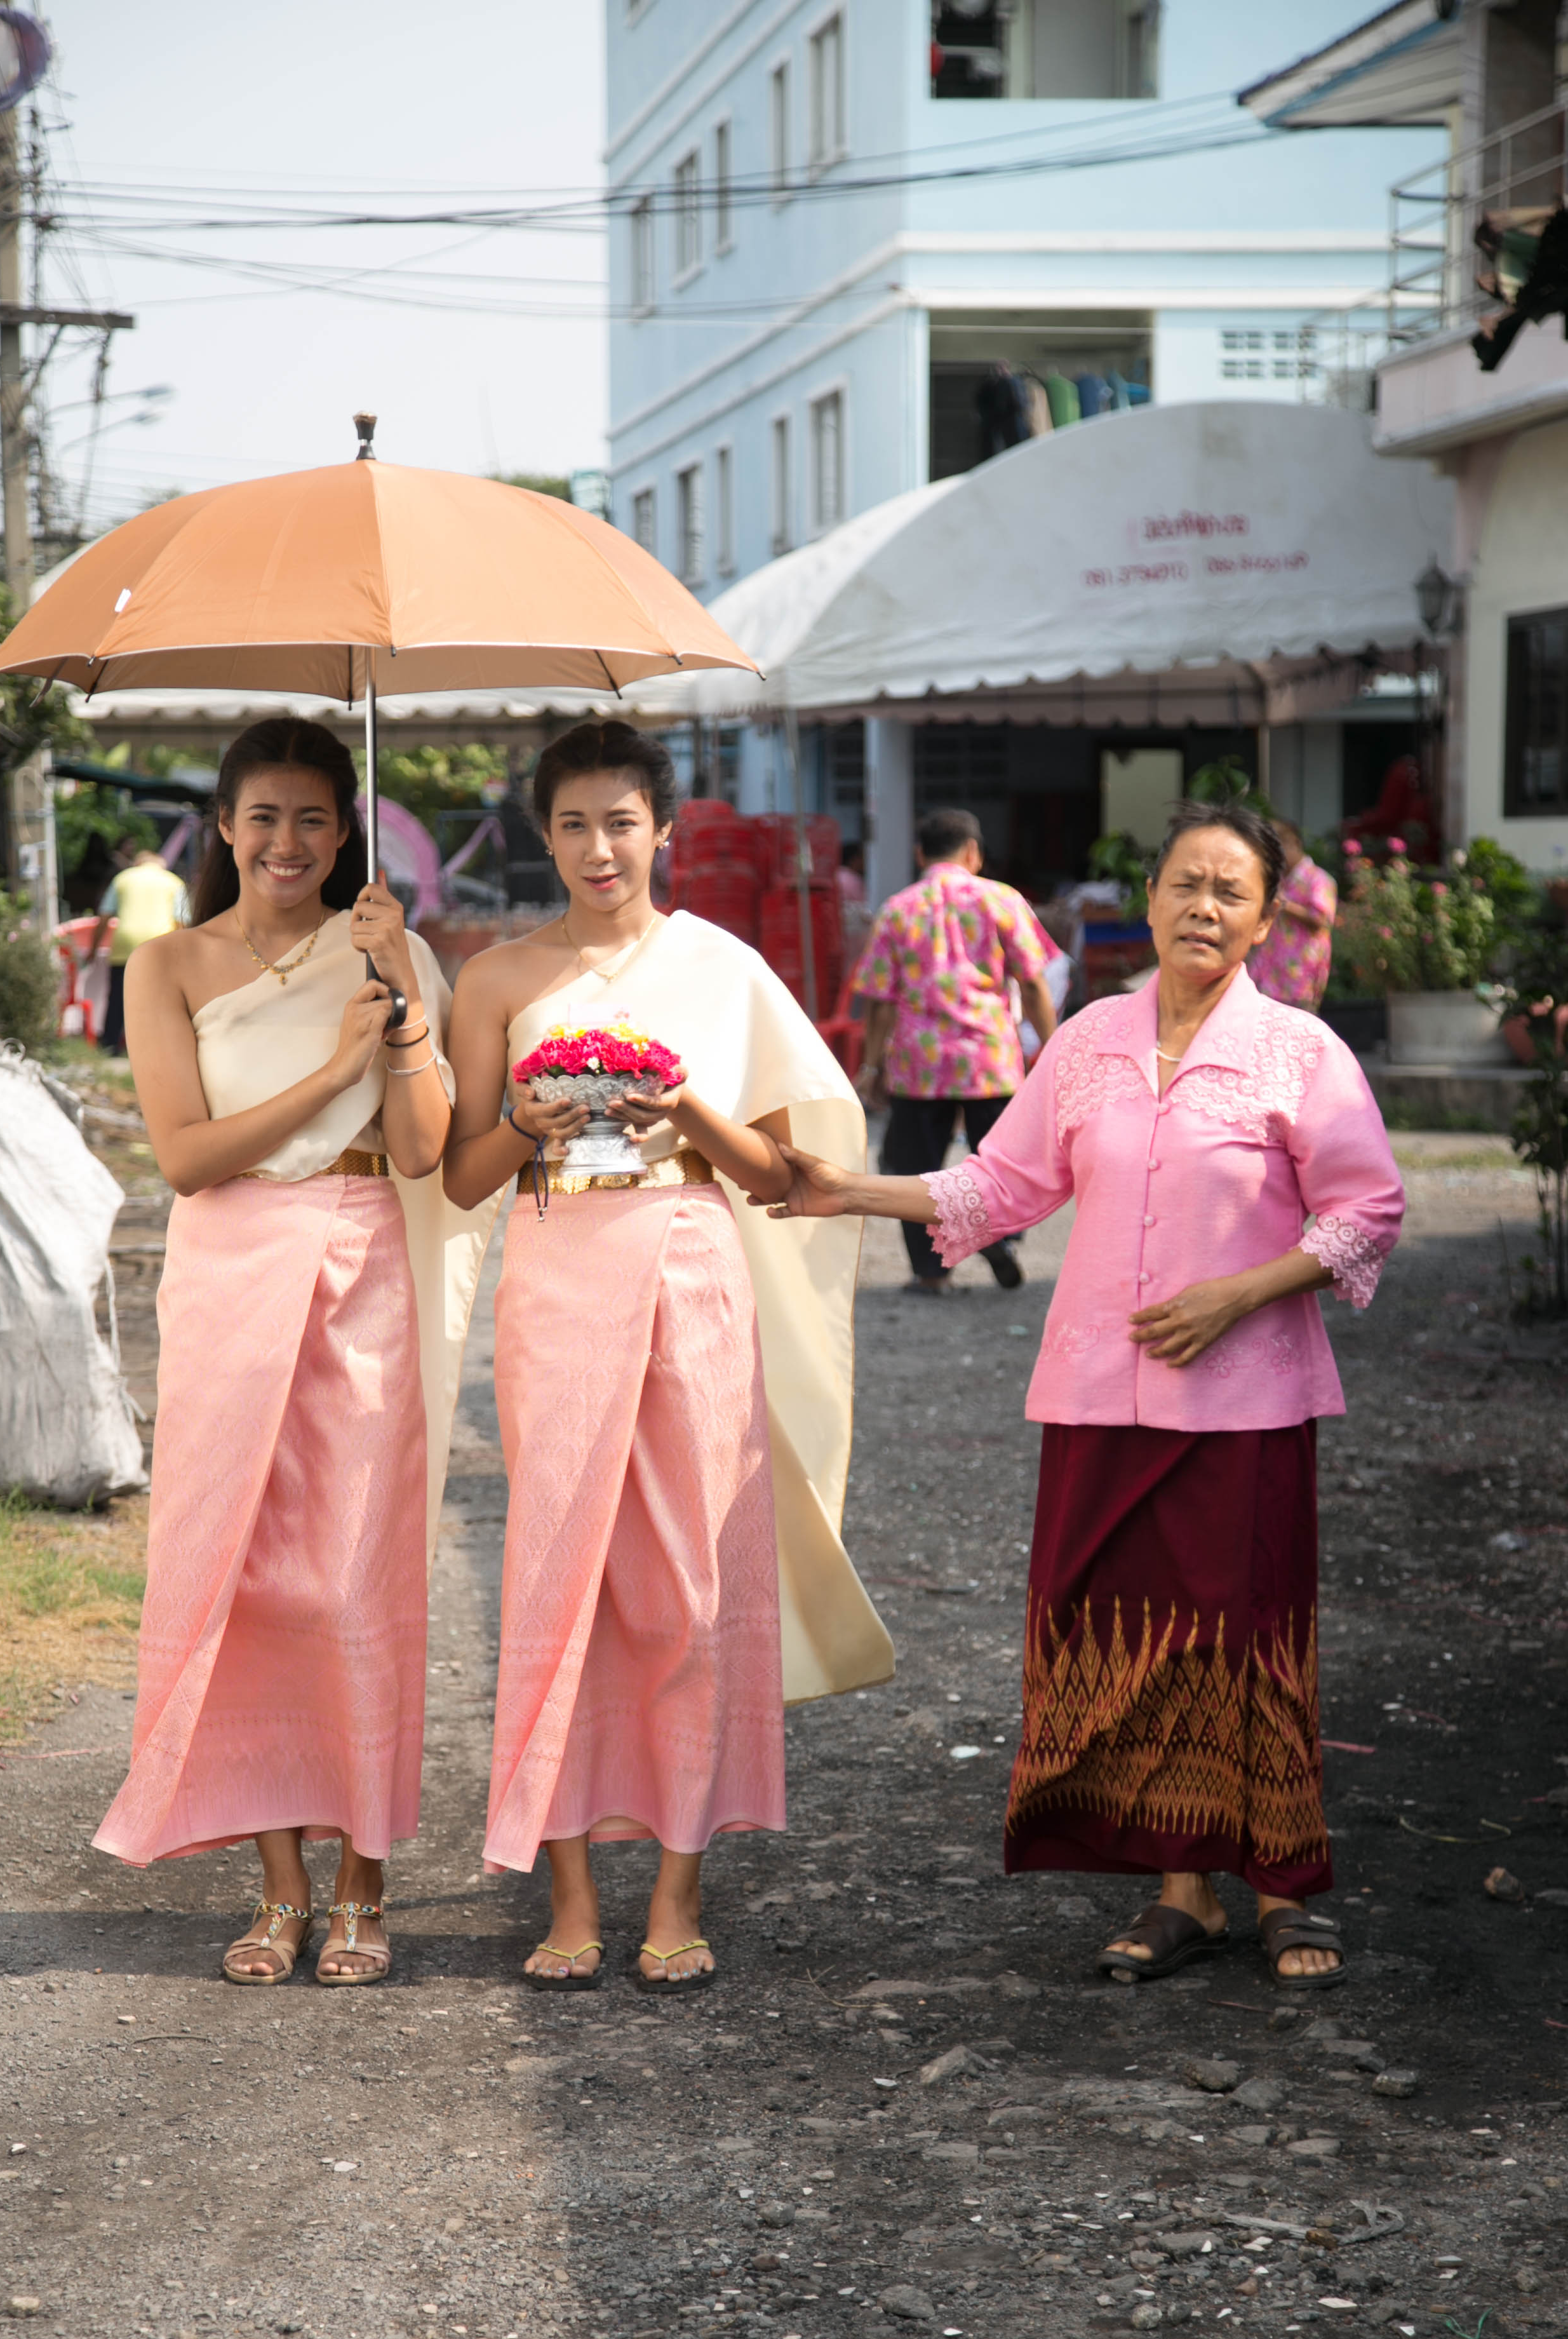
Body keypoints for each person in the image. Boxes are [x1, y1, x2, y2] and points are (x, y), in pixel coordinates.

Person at [763, 799, 1405, 1987]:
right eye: (1184, 884)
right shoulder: (1088, 1041)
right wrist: (841, 1189)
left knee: (1248, 1636)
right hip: (1097, 1399)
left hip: (1245, 1407)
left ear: (1265, 921)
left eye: (1230, 892)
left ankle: (1283, 1883)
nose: (1202, 907)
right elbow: (998, 1186)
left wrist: (1237, 1294)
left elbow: (1366, 1209)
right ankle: (1182, 1889)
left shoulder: (1302, 1051)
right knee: (1134, 1635)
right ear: (1147, 900)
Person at [443, 720, 891, 1990]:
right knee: (559, 1579)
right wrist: (525, 1121)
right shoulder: (497, 979)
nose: (600, 848)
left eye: (622, 822)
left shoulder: (723, 969)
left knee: (694, 1580)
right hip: (558, 1278)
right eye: (574, 824)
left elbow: (785, 1174)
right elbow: (461, 1174)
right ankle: (571, 1896)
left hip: (693, 1264)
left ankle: (680, 1889)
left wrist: (687, 1102)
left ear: (663, 829)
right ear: (543, 835)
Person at [92, 719, 488, 1990]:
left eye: (313, 817)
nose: (286, 840)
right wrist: (329, 1071)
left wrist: (401, 1003)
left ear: (345, 830)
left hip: (363, 1257)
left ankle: (365, 1881)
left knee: (354, 1576)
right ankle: (279, 1887)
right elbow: (185, 1156)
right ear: (221, 825)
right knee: (244, 1573)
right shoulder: (167, 964)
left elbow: (422, 1147)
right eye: (262, 815)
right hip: (228, 1266)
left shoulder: (388, 950)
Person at [854, 808, 1055, 1293]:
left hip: (918, 1065)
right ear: (973, 853)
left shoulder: (898, 908)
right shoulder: (1004, 900)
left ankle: (930, 1275)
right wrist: (1053, 1050)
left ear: (920, 854)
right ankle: (998, 1238)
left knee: (916, 1171)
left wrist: (871, 1067)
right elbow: (1032, 982)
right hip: (990, 1060)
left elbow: (879, 1001)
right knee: (1001, 1164)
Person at [94, 837, 191, 1055]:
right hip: (160, 944)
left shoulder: (123, 879)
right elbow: (182, 921)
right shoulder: (173, 882)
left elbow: (104, 916)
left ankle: (110, 1044)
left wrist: (93, 949)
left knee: (118, 996)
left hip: (125, 943)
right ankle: (157, 1046)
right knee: (160, 998)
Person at [1247, 819, 1337, 1012]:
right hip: (1267, 975)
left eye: (1280, 846)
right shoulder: (1277, 880)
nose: (1276, 855)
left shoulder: (1318, 879)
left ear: (1295, 843)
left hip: (1299, 978)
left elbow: (1321, 921)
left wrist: (1283, 904)